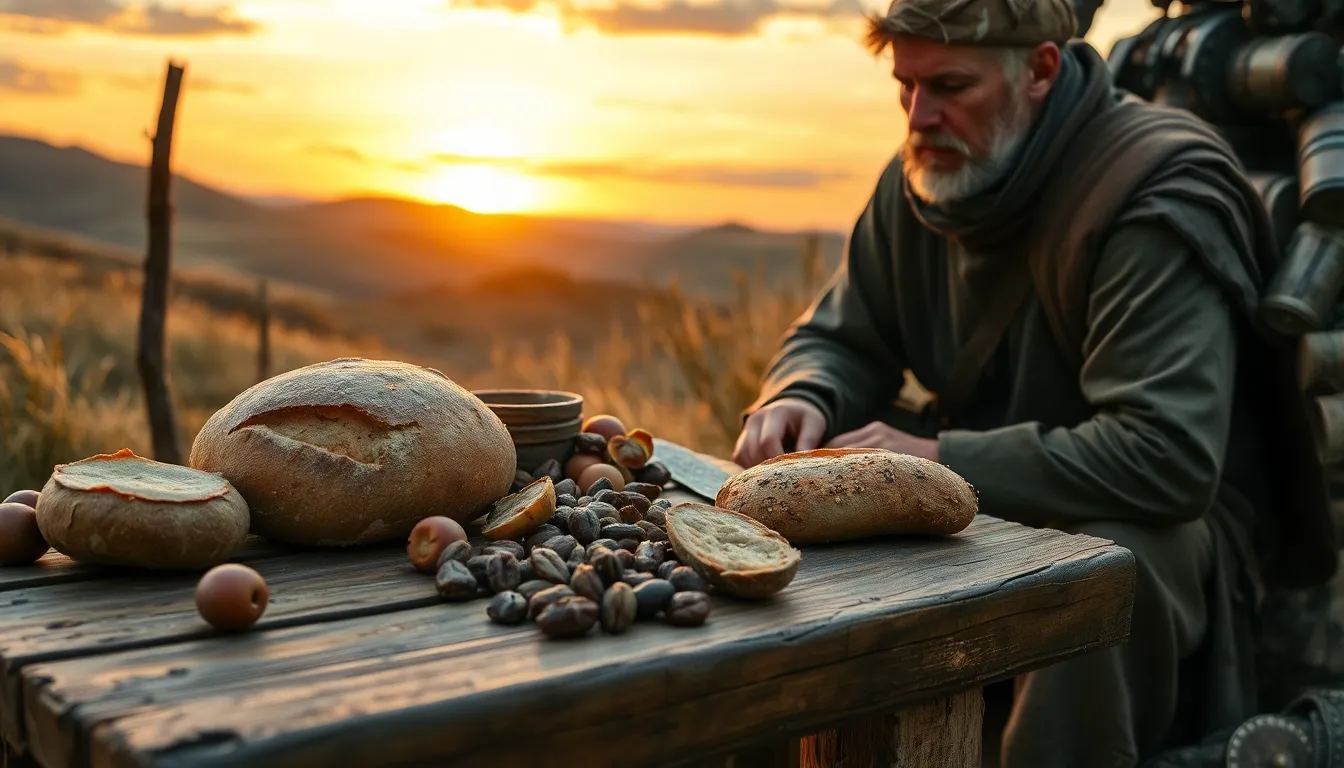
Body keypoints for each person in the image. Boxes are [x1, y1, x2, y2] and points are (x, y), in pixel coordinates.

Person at [731, 0, 1338, 765]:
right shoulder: (926, 172)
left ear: (1041, 69)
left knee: (1106, 563)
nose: (919, 116)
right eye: (905, 86)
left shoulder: (1150, 192)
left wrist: (934, 460)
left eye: (950, 86)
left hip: (1146, 515)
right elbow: (842, 336)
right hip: (988, 484)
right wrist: (801, 395)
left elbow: (1165, 456)